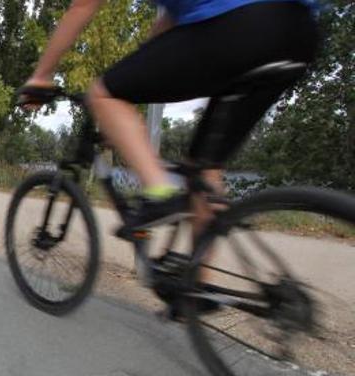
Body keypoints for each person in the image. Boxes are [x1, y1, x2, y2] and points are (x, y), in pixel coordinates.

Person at [18, 0, 320, 237]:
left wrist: (41, 77)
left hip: (235, 24)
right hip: (299, 32)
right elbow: (165, 33)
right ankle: (196, 293)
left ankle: (160, 192)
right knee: (205, 171)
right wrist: (122, 119)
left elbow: (82, 6)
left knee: (101, 93)